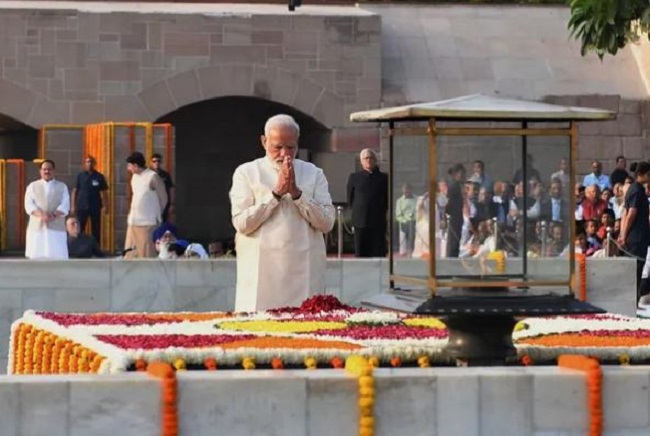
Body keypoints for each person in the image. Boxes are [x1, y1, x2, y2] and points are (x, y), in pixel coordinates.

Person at [229, 114, 335, 312]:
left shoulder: (314, 173)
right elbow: (242, 224)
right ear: (264, 141)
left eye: (291, 147)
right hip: (262, 273)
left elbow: (327, 223)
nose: (284, 154)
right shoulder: (247, 172)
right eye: (277, 147)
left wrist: (297, 195)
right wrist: (275, 195)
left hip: (304, 271)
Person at [618, 161, 650, 306]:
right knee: (635, 271)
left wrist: (623, 233)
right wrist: (623, 234)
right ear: (640, 175)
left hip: (635, 236)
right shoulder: (637, 190)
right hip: (637, 237)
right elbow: (631, 213)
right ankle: (631, 302)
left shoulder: (634, 189)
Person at [124, 151, 168, 259]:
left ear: (135, 165)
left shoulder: (153, 177)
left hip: (148, 223)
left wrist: (156, 213)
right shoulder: (134, 177)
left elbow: (164, 198)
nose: (128, 168)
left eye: (129, 165)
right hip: (133, 222)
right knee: (130, 254)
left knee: (147, 255)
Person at [347, 148, 389, 257]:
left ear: (375, 160)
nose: (368, 160)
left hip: (378, 221)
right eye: (366, 158)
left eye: (371, 158)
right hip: (360, 221)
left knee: (378, 252)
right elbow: (350, 198)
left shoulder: (384, 178)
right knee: (361, 252)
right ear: (361, 161)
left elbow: (387, 199)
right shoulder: (354, 177)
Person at [24, 160, 70, 259]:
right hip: (37, 226)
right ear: (40, 171)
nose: (47, 172)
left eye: (49, 169)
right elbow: (28, 204)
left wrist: (53, 215)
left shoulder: (62, 186)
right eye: (44, 169)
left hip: (56, 226)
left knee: (57, 256)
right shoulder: (32, 186)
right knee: (36, 256)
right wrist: (41, 214)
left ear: (54, 171)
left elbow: (65, 205)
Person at [70, 156, 108, 245]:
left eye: (91, 162)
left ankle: (96, 248)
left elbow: (104, 192)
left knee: (96, 228)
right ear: (84, 164)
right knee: (79, 227)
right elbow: (75, 191)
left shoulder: (99, 176)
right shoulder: (80, 176)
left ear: (94, 163)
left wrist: (106, 205)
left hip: (95, 206)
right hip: (82, 206)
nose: (89, 163)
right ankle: (78, 247)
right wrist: (72, 206)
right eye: (87, 162)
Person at [446, 164, 466, 257]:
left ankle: (454, 256)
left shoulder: (459, 185)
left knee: (457, 240)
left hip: (458, 215)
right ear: (455, 174)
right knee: (453, 241)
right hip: (454, 216)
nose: (462, 176)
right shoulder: (453, 186)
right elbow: (448, 202)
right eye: (461, 174)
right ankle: (451, 259)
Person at [150, 153, 175, 223]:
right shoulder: (148, 174)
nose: (156, 163)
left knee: (163, 223)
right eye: (154, 161)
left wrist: (172, 204)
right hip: (151, 203)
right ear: (151, 162)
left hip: (164, 203)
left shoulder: (165, 174)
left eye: (158, 161)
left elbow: (171, 189)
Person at [395, 183, 417, 256]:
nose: (406, 193)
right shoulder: (399, 201)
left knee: (412, 225)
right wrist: (405, 220)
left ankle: (412, 249)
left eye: (408, 191)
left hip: (415, 221)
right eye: (405, 192)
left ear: (411, 190)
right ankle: (405, 250)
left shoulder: (417, 199)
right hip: (404, 222)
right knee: (408, 226)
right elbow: (398, 215)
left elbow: (420, 211)